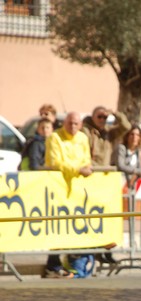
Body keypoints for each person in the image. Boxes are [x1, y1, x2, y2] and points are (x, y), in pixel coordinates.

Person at [44, 111, 93, 278]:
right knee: (57, 225)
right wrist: (77, 169)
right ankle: (53, 264)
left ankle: (73, 263)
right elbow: (55, 162)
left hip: (77, 190)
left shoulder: (83, 138)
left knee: (75, 226)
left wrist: (82, 169)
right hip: (57, 188)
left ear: (80, 125)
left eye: (76, 123)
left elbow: (87, 160)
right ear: (64, 123)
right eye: (70, 123)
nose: (72, 126)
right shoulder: (54, 138)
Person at [83, 105, 130, 263]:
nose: (103, 120)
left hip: (106, 180)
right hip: (92, 178)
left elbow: (126, 127)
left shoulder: (109, 132)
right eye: (99, 117)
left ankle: (107, 251)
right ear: (93, 117)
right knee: (93, 216)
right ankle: (94, 250)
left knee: (108, 217)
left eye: (105, 117)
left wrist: (115, 114)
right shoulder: (87, 131)